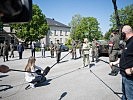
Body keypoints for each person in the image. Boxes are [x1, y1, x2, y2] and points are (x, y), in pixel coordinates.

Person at [110, 25, 133, 100]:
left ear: (124, 33)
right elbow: (126, 57)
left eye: (122, 33)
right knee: (124, 96)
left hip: (130, 78)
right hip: (124, 76)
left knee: (130, 97)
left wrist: (132, 70)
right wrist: (115, 62)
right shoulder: (128, 42)